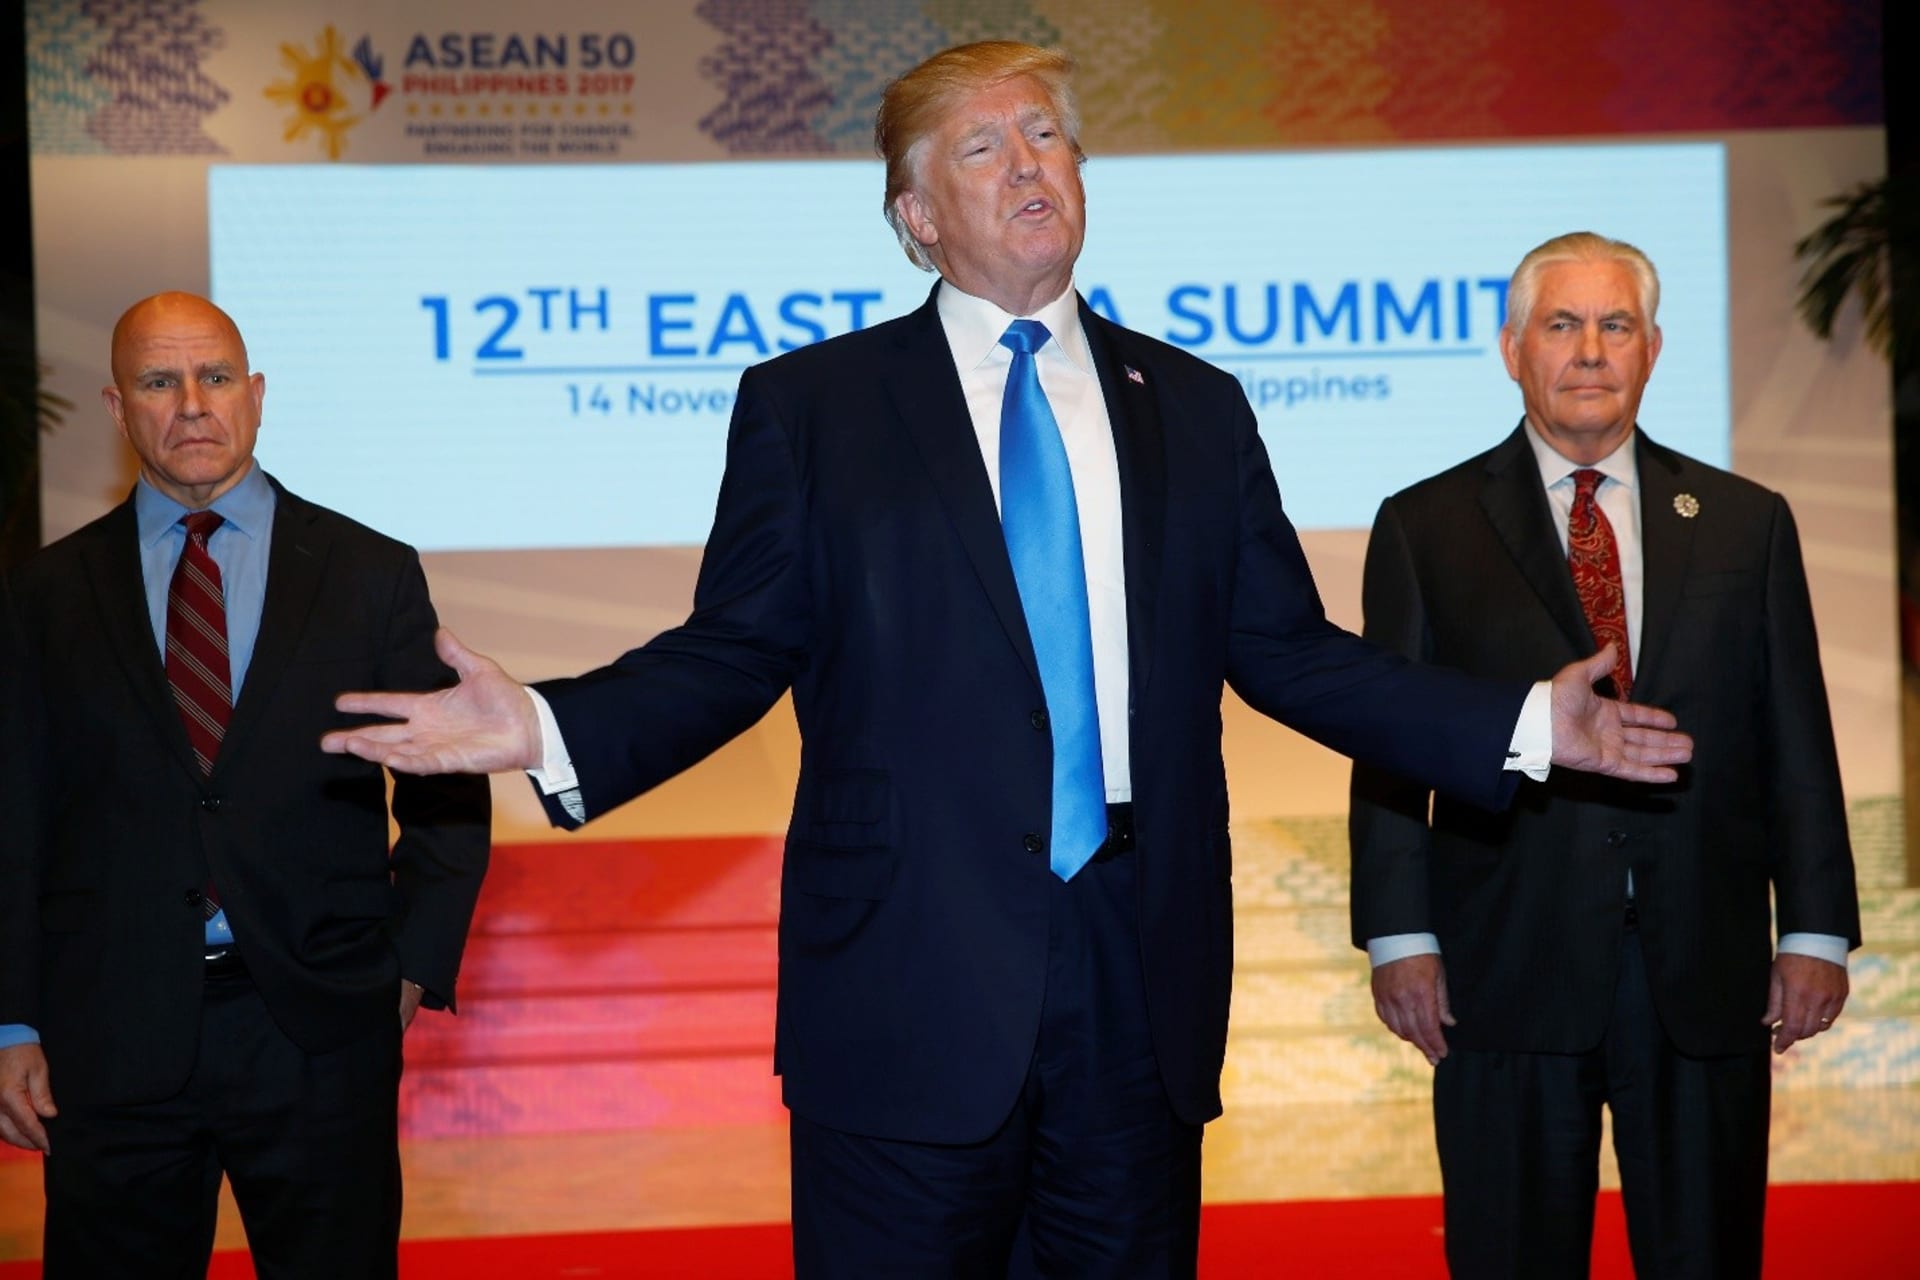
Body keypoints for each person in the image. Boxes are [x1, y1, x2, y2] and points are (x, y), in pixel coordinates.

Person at [322, 45, 1689, 1277]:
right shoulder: (818, 409)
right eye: (984, 147)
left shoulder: (1195, 407)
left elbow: (1286, 652)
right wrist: (550, 727)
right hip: (907, 973)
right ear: (917, 219)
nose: (1030, 163)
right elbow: (737, 648)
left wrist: (1517, 725)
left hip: (1134, 972)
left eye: (1048, 136)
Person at [1349, 231, 1862, 1278]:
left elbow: (1795, 737)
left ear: (1654, 348)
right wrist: (1399, 933)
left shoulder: (1744, 522)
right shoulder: (1424, 526)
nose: (1590, 350)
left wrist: (1817, 927)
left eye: (1614, 325)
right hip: (1504, 967)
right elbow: (1393, 747)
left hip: (1704, 965)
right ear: (1512, 349)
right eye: (1562, 323)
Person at [0, 292, 492, 1279]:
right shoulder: (44, 593)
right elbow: (13, 812)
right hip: (109, 1037)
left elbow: (447, 788)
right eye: (158, 381)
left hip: (318, 1027)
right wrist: (11, 1018)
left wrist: (409, 965)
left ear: (256, 394)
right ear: (117, 405)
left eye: (215, 376)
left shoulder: (368, 572)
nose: (191, 404)